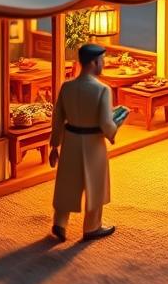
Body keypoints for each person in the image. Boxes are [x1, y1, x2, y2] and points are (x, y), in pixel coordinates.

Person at [48, 43, 120, 242]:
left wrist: (54, 145)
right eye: (102, 61)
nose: (103, 64)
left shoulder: (67, 86)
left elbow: (57, 117)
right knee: (95, 184)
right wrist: (114, 130)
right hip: (92, 142)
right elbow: (106, 122)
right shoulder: (102, 90)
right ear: (94, 62)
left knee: (67, 182)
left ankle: (60, 223)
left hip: (71, 139)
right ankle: (92, 226)